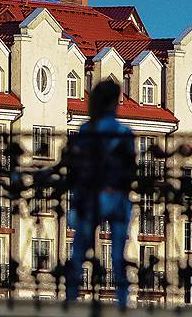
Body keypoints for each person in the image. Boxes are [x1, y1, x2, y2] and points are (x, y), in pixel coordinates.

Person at [63, 80, 136, 307]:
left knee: (79, 248)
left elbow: (75, 165)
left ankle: (71, 294)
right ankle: (122, 300)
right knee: (118, 253)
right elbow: (130, 169)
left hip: (91, 196)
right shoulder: (123, 132)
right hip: (116, 197)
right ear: (114, 103)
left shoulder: (87, 130)